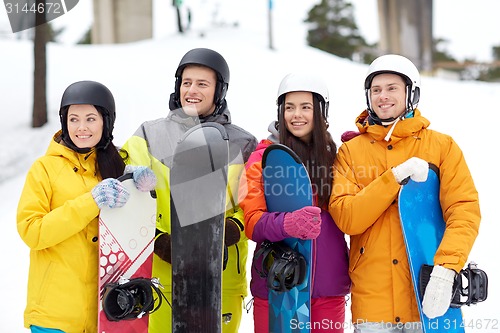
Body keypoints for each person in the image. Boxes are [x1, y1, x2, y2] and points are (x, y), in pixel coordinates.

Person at [329, 54, 481, 333]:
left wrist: (447, 269)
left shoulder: (442, 147)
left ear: (412, 93)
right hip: (373, 304)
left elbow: (464, 212)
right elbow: (347, 218)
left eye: (392, 88)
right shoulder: (351, 152)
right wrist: (393, 178)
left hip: (428, 293)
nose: (382, 96)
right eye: (376, 90)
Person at [122, 48, 257, 333]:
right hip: (163, 276)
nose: (191, 90)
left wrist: (231, 229)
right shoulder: (149, 135)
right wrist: (157, 241)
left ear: (219, 90)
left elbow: (253, 205)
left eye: (202, 84)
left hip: (221, 279)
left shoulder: (243, 143)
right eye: (186, 82)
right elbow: (128, 196)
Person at [16, 80, 156, 333]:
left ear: (106, 121)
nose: (81, 128)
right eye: (73, 119)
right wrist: (90, 201)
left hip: (105, 315)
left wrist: (139, 191)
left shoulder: (115, 166)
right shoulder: (44, 169)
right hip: (55, 317)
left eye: (91, 119)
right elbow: (32, 232)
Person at [239, 72, 351, 333]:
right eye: (289, 107)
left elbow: (355, 206)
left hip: (328, 289)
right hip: (279, 286)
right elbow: (252, 222)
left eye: (305, 107)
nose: (296, 115)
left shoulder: (337, 158)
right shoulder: (263, 158)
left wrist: (364, 149)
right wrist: (287, 223)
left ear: (321, 112)